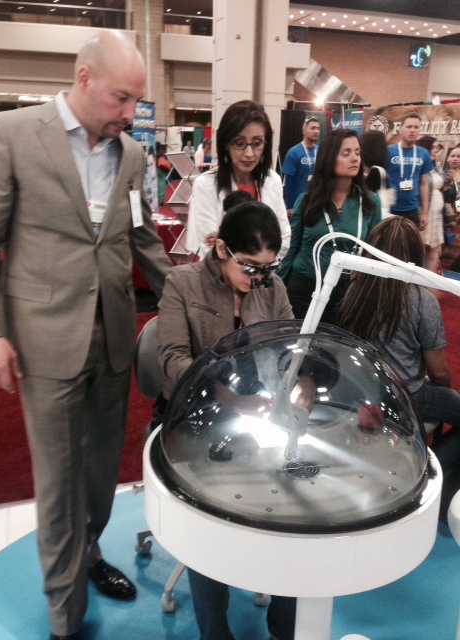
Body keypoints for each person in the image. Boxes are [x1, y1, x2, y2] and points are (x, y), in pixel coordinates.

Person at [0, 31, 173, 640]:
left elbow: (143, 242)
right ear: (84, 77)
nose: (129, 114)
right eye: (121, 99)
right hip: (44, 341)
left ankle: (87, 554)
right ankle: (65, 614)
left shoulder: (134, 157)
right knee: (59, 482)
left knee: (97, 472)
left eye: (136, 103)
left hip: (115, 337)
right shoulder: (9, 136)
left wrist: (200, 299)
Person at [157, 196, 304, 640]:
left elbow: (289, 349)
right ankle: (215, 632)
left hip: (258, 421)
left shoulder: (271, 289)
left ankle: (286, 627)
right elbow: (171, 361)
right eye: (251, 268)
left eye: (269, 269)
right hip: (193, 418)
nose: (260, 280)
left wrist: (300, 381)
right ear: (221, 249)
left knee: (294, 507)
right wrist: (225, 395)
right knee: (211, 522)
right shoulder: (182, 283)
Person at [337, 216, 460, 511]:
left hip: (357, 392)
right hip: (405, 396)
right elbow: (440, 370)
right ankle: (433, 477)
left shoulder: (355, 291)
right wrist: (442, 389)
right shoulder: (421, 299)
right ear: (414, 256)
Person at [278, 128, 382, 324]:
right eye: (346, 153)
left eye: (357, 153)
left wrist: (361, 277)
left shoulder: (371, 203)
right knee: (296, 346)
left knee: (332, 349)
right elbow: (292, 249)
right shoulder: (307, 200)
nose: (355, 159)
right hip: (303, 287)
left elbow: (374, 251)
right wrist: (277, 287)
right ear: (329, 158)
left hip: (343, 291)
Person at [186, 100, 291, 259]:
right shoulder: (206, 184)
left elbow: (283, 240)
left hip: (264, 277)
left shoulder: (272, 181)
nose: (249, 153)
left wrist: (230, 240)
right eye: (240, 143)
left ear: (266, 144)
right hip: (219, 280)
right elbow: (210, 248)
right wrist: (263, 244)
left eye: (257, 143)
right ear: (227, 144)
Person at [386, 112, 433, 229]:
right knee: (390, 245)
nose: (412, 130)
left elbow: (424, 184)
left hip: (412, 209)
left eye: (416, 127)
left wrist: (425, 212)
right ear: (401, 129)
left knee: (410, 245)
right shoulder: (388, 151)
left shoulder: (424, 153)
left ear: (419, 130)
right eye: (409, 126)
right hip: (390, 208)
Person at [416, 135, 446, 282]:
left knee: (436, 249)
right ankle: (416, 283)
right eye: (433, 147)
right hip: (424, 212)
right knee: (420, 248)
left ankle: (429, 284)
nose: (436, 150)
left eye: (437, 147)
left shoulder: (438, 167)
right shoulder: (419, 167)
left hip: (437, 215)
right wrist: (422, 212)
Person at [282, 116, 321, 213]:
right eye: (312, 128)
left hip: (316, 203)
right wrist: (289, 206)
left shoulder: (321, 151)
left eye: (318, 128)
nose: (316, 131)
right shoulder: (294, 152)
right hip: (298, 204)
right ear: (304, 131)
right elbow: (288, 182)